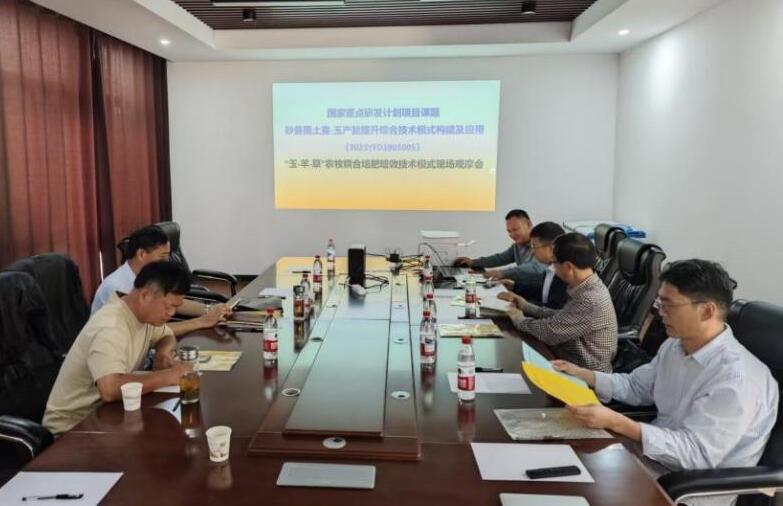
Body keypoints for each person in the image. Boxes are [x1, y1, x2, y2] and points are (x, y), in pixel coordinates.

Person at [555, 259, 778, 506]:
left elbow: (695, 456)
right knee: (561, 472)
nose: (660, 311)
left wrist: (619, 423)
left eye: (669, 304)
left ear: (707, 311)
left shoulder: (738, 380)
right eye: (659, 302)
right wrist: (585, 375)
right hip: (648, 462)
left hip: (688, 492)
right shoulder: (675, 345)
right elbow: (637, 387)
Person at [43, 262, 217, 435]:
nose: (172, 313)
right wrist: (168, 376)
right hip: (72, 429)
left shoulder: (143, 315)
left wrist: (162, 353)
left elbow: (167, 335)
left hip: (107, 414)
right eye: (168, 306)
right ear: (145, 296)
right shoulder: (111, 326)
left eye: (175, 307)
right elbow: (109, 389)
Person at [507, 232, 617, 372]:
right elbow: (562, 317)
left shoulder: (589, 298)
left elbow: (549, 332)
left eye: (554, 263)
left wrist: (518, 319)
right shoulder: (588, 286)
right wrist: (526, 306)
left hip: (584, 374)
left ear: (568, 266)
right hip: (568, 360)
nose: (552, 267)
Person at [91, 225, 230, 331]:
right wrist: (202, 321)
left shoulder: (148, 278)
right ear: (141, 254)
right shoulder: (117, 287)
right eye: (162, 257)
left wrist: (210, 309)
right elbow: (148, 332)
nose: (167, 262)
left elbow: (174, 303)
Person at [454, 209, 545, 287]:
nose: (512, 235)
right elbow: (500, 258)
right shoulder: (517, 246)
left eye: (515, 230)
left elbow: (534, 267)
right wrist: (473, 262)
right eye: (509, 231)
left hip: (536, 296)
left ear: (529, 224)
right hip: (523, 290)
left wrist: (501, 273)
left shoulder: (542, 244)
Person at [499, 221, 568, 313]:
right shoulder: (550, 267)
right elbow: (543, 293)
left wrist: (522, 304)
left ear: (551, 248)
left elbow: (553, 310)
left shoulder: (565, 274)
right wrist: (514, 286)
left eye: (534, 247)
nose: (532, 251)